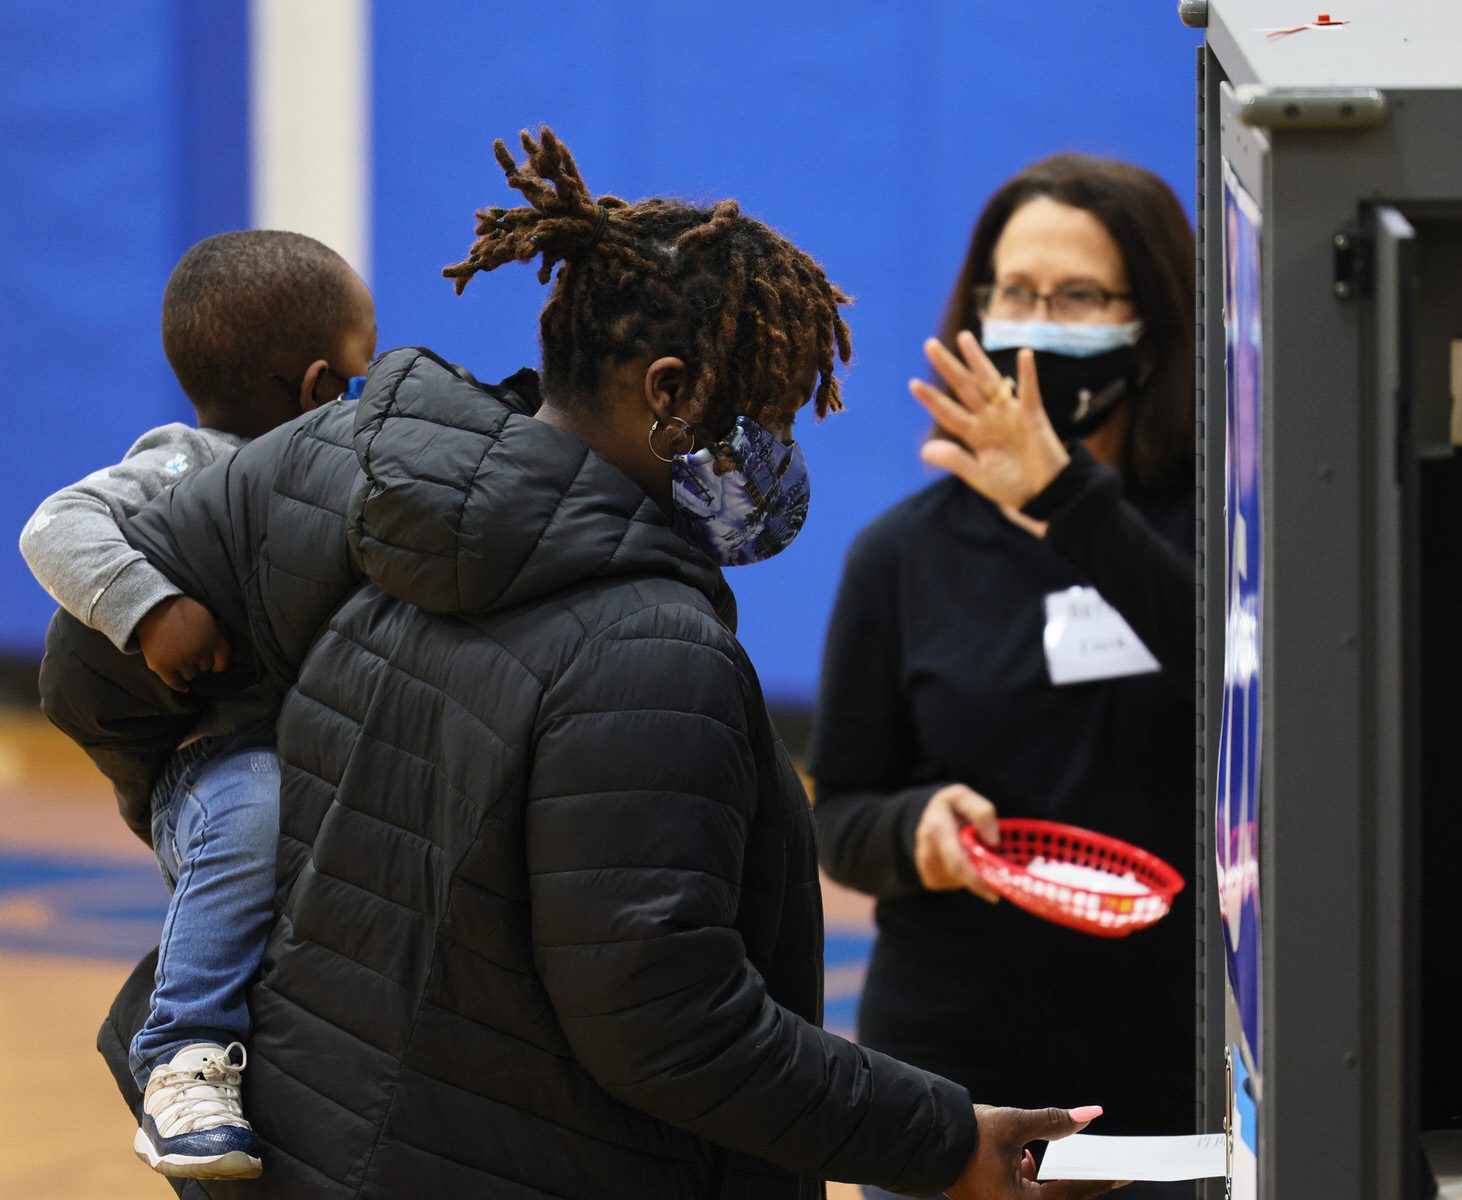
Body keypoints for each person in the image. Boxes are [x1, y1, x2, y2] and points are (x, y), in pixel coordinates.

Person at [37, 128, 1119, 1200]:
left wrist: (203, 796)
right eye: (759, 412)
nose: (770, 452)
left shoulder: (346, 473)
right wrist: (942, 1142)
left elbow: (88, 668)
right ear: (666, 391)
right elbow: (669, 1024)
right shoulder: (654, 655)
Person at [808, 153, 1199, 1200]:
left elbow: (1246, 690)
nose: (1038, 322)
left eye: (1077, 297)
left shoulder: (1221, 526)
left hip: (1170, 1078)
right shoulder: (902, 555)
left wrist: (1073, 501)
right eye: (1014, 293)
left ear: (1152, 324)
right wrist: (915, 835)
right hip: (947, 1088)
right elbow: (838, 806)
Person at [18, 230, 376, 1180]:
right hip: (215, 764)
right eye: (362, 369)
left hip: (324, 758)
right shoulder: (189, 464)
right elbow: (54, 526)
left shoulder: (351, 481)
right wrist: (151, 610)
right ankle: (181, 1053)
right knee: (257, 804)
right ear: (316, 389)